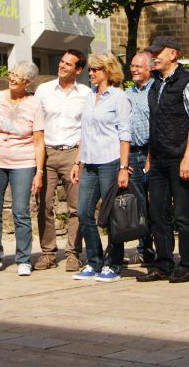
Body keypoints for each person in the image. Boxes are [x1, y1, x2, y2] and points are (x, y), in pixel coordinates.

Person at [137, 36, 189, 284]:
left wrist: (188, 157)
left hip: (180, 157)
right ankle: (163, 263)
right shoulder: (155, 84)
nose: (154, 55)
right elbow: (155, 123)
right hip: (158, 159)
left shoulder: (188, 82)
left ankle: (186, 265)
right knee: (157, 212)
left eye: (158, 51)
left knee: (183, 215)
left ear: (174, 54)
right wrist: (150, 156)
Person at [0, 61, 45, 276]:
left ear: (29, 82)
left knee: (21, 212)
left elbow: (38, 141)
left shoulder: (34, 104)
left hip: (23, 163)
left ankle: (24, 259)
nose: (13, 78)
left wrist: (39, 172)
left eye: (18, 76)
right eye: (12, 74)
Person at [70, 53, 132, 282]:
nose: (91, 73)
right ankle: (94, 261)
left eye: (95, 69)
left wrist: (123, 167)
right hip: (89, 162)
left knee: (112, 215)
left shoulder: (119, 97)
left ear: (107, 71)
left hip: (110, 161)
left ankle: (114, 264)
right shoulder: (89, 97)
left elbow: (125, 134)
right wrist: (77, 162)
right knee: (84, 212)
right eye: (90, 70)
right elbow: (83, 134)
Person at [33, 49, 88, 272]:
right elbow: (35, 123)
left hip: (73, 153)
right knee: (43, 205)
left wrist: (78, 160)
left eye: (68, 64)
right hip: (47, 153)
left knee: (76, 207)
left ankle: (73, 253)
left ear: (78, 70)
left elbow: (87, 129)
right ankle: (47, 253)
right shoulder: (43, 90)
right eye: (62, 62)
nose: (62, 66)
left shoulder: (85, 93)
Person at [126, 51, 156, 265]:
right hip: (132, 153)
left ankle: (160, 247)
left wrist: (151, 156)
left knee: (155, 204)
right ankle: (144, 248)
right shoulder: (126, 94)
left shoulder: (156, 91)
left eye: (139, 66)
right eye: (133, 66)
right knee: (139, 204)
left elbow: (158, 126)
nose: (134, 69)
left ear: (150, 68)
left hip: (150, 152)